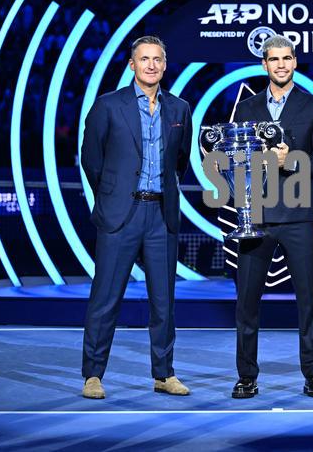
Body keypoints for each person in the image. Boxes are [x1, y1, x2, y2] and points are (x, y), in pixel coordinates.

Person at [80, 36, 192, 399]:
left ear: (164, 64)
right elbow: (91, 160)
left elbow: (181, 161)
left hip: (162, 214)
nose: (151, 65)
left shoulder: (179, 109)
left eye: (157, 59)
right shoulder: (108, 106)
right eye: (144, 59)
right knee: (106, 299)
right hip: (121, 215)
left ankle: (164, 373)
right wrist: (111, 197)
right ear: (132, 64)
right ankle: (93, 375)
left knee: (164, 302)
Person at [228, 35, 313, 398]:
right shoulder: (246, 109)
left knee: (309, 301)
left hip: (299, 216)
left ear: (295, 62)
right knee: (246, 303)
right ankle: (246, 377)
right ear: (264, 65)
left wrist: (291, 159)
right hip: (255, 215)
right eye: (274, 59)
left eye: (287, 58)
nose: (281, 65)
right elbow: (234, 160)